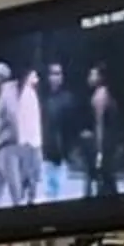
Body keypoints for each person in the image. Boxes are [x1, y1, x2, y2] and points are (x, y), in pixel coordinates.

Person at [41, 59, 82, 199]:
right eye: (53, 74)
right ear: (48, 77)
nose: (56, 77)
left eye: (58, 74)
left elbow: (72, 127)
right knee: (48, 194)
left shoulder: (68, 99)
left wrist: (71, 150)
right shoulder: (43, 100)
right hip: (46, 155)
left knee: (61, 194)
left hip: (62, 156)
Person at [0, 61, 22, 206]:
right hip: (0, 148)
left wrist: (17, 140)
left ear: (0, 76)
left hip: (7, 146)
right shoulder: (4, 93)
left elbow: (14, 117)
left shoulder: (8, 94)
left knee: (14, 189)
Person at [86, 64, 123, 190]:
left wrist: (99, 152)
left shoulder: (99, 97)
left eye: (93, 75)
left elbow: (99, 124)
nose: (89, 78)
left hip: (106, 145)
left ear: (100, 78)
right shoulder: (104, 94)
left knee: (106, 180)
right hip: (110, 144)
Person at [14, 67, 44, 206]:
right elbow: (25, 120)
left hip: (32, 140)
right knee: (29, 171)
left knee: (32, 171)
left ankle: (29, 195)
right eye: (34, 76)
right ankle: (28, 196)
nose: (37, 79)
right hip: (29, 141)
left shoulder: (30, 94)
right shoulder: (27, 95)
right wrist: (28, 141)